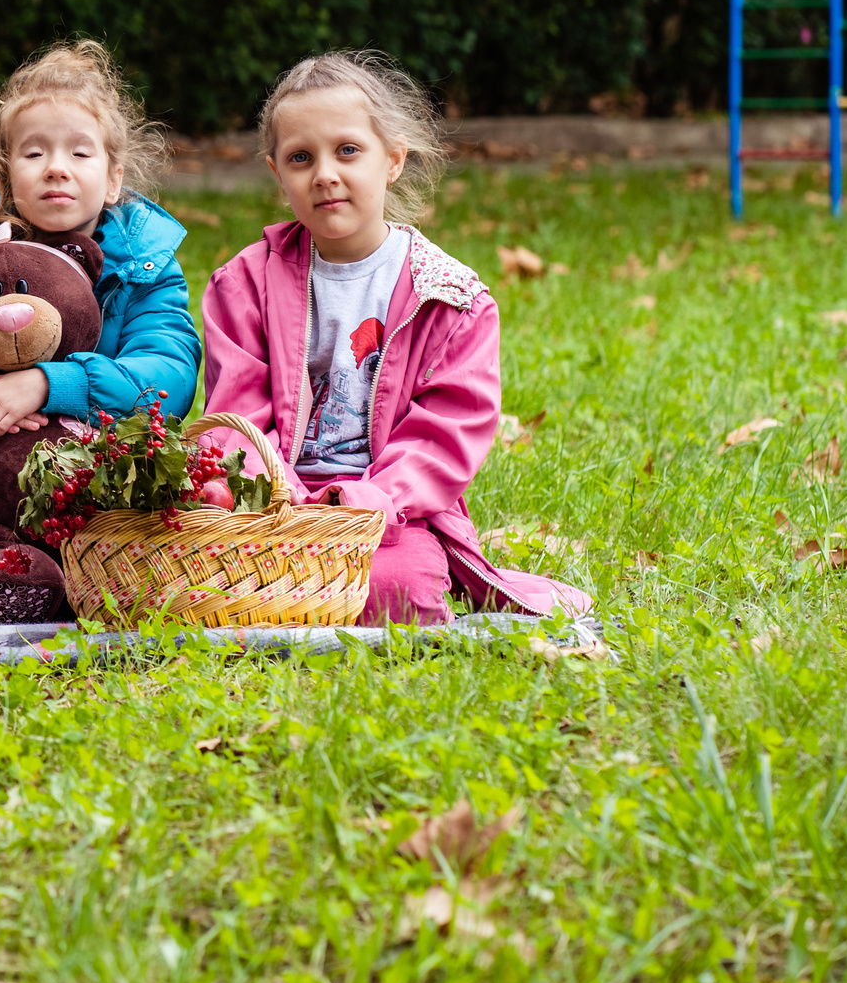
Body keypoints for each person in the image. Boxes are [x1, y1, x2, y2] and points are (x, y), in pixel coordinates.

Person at [201, 49, 592, 623]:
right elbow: (236, 415)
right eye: (301, 157)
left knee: (399, 591)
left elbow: (446, 433)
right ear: (277, 174)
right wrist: (282, 501)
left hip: (383, 508)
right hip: (265, 501)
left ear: (393, 159)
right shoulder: (244, 284)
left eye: (348, 151)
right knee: (183, 570)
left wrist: (365, 503)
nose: (326, 174)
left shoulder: (450, 299)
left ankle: (294, 596)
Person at [0, 41, 201, 599]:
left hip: (108, 508)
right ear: (7, 177)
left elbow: (170, 378)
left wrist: (51, 384)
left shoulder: (144, 269)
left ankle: (79, 577)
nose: (57, 167)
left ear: (113, 179)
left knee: (119, 576)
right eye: (34, 154)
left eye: (80, 154)